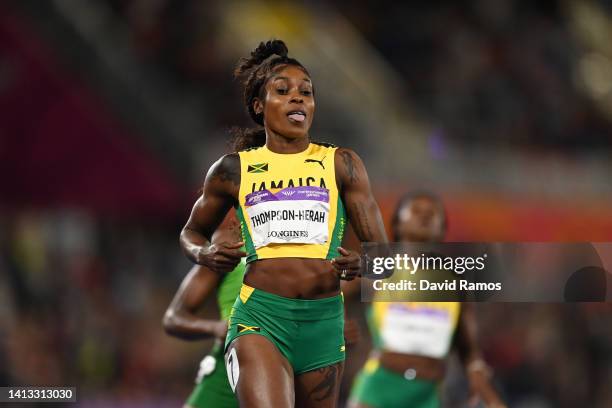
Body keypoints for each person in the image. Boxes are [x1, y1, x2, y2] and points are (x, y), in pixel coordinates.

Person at [179, 39, 388, 408]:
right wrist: (205, 251)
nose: (298, 98)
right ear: (259, 106)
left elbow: (385, 256)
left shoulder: (342, 164)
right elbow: (190, 232)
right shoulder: (233, 170)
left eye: (306, 92)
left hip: (323, 323)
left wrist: (365, 263)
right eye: (283, 90)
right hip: (260, 318)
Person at [348, 191, 506, 408]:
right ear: (398, 223)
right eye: (416, 211)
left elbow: (469, 349)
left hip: (427, 395)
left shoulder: (455, 284)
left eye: (432, 213)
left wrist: (485, 387)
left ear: (441, 228)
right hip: (378, 390)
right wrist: (336, 327)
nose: (424, 216)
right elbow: (326, 295)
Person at [164, 211, 244, 408]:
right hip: (230, 368)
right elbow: (173, 318)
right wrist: (216, 328)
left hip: (294, 359)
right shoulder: (229, 247)